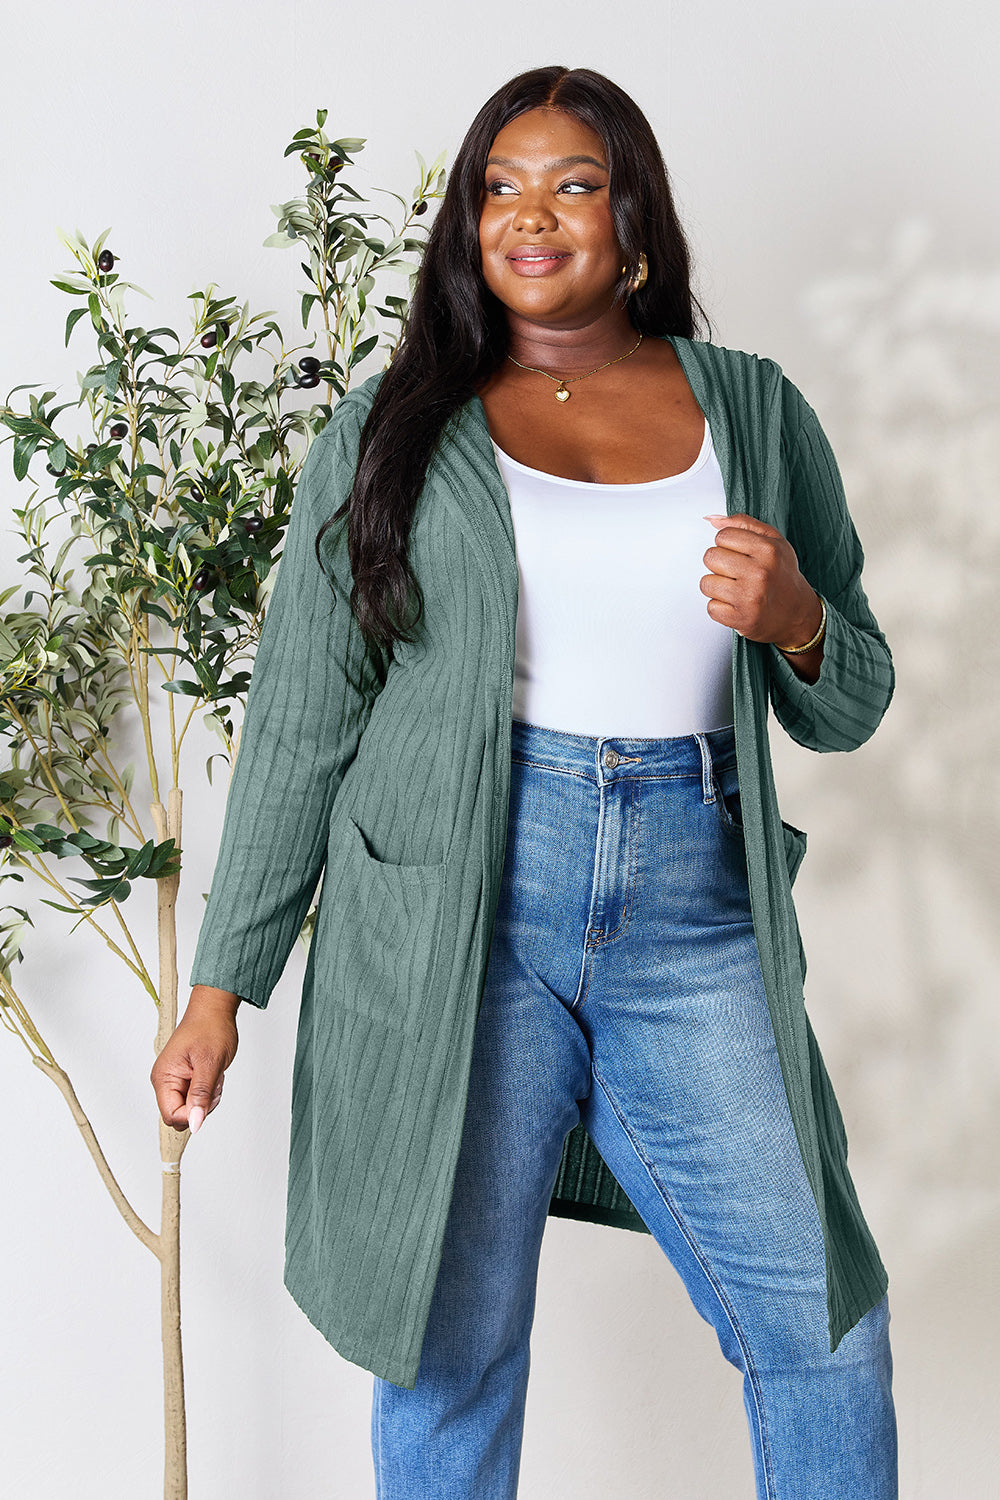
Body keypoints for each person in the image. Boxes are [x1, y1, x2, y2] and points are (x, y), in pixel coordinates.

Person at [152, 65, 898, 1499]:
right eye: (500, 185)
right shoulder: (392, 429)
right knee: (449, 1349)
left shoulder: (750, 410)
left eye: (572, 182)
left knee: (821, 1329)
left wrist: (798, 617)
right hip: (452, 922)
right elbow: (306, 717)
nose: (531, 214)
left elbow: (853, 697)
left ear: (632, 218)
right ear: (465, 224)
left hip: (695, 918)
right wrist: (216, 994)